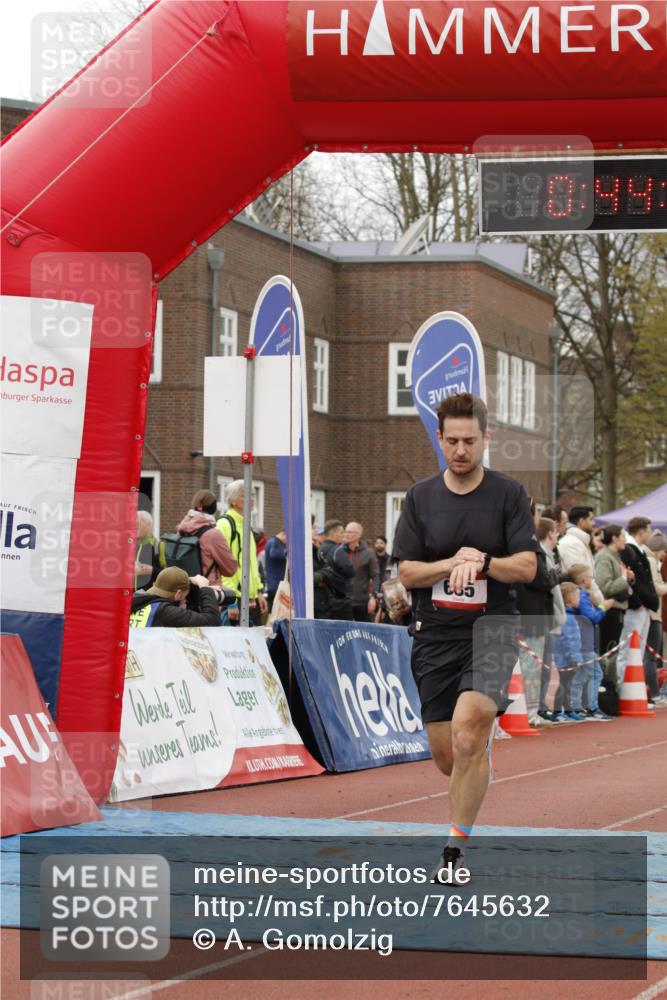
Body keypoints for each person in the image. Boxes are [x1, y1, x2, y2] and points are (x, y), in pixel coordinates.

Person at [393, 392, 538, 881]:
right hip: (434, 633)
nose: (460, 450)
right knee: (448, 755)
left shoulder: (508, 494)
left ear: (486, 438)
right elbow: (407, 572)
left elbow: (527, 566)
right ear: (439, 438)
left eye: (470, 441)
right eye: (452, 441)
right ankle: (475, 756)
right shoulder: (420, 498)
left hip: (493, 628)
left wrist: (485, 562)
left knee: (468, 732)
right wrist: (450, 563)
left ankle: (453, 851)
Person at [516, 516, 566, 727]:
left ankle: (529, 712)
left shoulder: (527, 549)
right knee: (531, 668)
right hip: (532, 617)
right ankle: (529, 714)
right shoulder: (533, 550)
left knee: (531, 667)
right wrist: (557, 574)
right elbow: (541, 580)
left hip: (529, 615)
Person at [615, 516, 659, 690]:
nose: (650, 534)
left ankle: (635, 691)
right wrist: (636, 602)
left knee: (638, 653)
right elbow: (626, 578)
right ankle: (623, 691)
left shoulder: (639, 550)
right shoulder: (628, 550)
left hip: (644, 607)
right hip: (635, 608)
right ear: (641, 531)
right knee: (628, 651)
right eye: (649, 530)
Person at [216, 480, 267, 626]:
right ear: (232, 500)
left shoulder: (246, 524)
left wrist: (258, 592)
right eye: (245, 495)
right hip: (235, 599)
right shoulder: (224, 524)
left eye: (253, 495)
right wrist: (230, 601)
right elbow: (222, 565)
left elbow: (252, 563)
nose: (252, 499)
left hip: (251, 598)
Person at [567, 564, 614, 720]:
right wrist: (603, 607)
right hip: (585, 643)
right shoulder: (582, 596)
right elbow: (592, 617)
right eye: (591, 578)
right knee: (595, 673)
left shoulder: (579, 595)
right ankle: (592, 708)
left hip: (581, 642)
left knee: (580, 675)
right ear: (585, 580)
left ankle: (575, 706)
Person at [175, 489, 237, 589]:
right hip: (207, 590)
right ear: (214, 508)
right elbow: (230, 569)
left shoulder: (181, 529)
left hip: (183, 589)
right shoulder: (213, 535)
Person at [594, 524, 633, 684]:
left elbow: (623, 586)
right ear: (614, 538)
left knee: (614, 652)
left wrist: (628, 579)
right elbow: (605, 587)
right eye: (623, 536)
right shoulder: (604, 557)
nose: (625, 540)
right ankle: (605, 690)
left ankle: (610, 688)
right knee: (608, 652)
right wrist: (624, 579)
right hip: (610, 612)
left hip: (618, 610)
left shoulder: (615, 556)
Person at [130, 567, 222, 627]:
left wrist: (188, 580)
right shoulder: (164, 611)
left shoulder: (136, 598)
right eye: (185, 597)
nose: (185, 601)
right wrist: (205, 588)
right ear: (178, 594)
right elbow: (212, 621)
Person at [551, 582, 586, 723]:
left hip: (566, 657)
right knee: (563, 684)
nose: (579, 599)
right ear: (569, 598)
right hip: (566, 659)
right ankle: (557, 711)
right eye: (577, 596)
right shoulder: (568, 618)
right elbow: (570, 640)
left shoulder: (570, 615)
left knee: (567, 684)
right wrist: (574, 658)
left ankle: (567, 709)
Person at [558, 505, 605, 605]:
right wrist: (601, 603)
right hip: (577, 605)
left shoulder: (580, 542)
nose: (594, 523)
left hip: (583, 603)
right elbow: (583, 578)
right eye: (591, 519)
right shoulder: (572, 544)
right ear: (581, 522)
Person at [314, 519, 355, 620]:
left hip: (324, 599)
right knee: (344, 629)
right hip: (341, 600)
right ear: (334, 534)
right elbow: (351, 571)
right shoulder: (338, 550)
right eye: (341, 532)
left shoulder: (319, 549)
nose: (343, 535)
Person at [643, 531, 667, 705]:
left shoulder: (650, 559)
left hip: (655, 613)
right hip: (654, 613)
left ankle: (655, 692)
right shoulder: (651, 560)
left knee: (651, 655)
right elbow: (657, 587)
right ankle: (656, 693)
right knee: (651, 656)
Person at [343, 522, 379, 622]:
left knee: (363, 630)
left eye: (349, 532)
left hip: (362, 603)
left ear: (358, 535)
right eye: (345, 531)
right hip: (343, 602)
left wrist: (373, 597)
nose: (346, 534)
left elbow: (376, 576)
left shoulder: (369, 553)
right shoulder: (340, 552)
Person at [134, 510, 158, 590]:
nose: (135, 526)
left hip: (148, 595)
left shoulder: (158, 545)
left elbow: (169, 575)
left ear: (149, 525)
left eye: (138, 523)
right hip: (127, 595)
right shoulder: (127, 545)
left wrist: (151, 570)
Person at [265, 529, 288, 611]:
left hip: (274, 584)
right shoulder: (274, 542)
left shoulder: (274, 542)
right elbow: (275, 554)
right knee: (275, 612)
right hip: (276, 585)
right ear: (284, 534)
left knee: (273, 612)